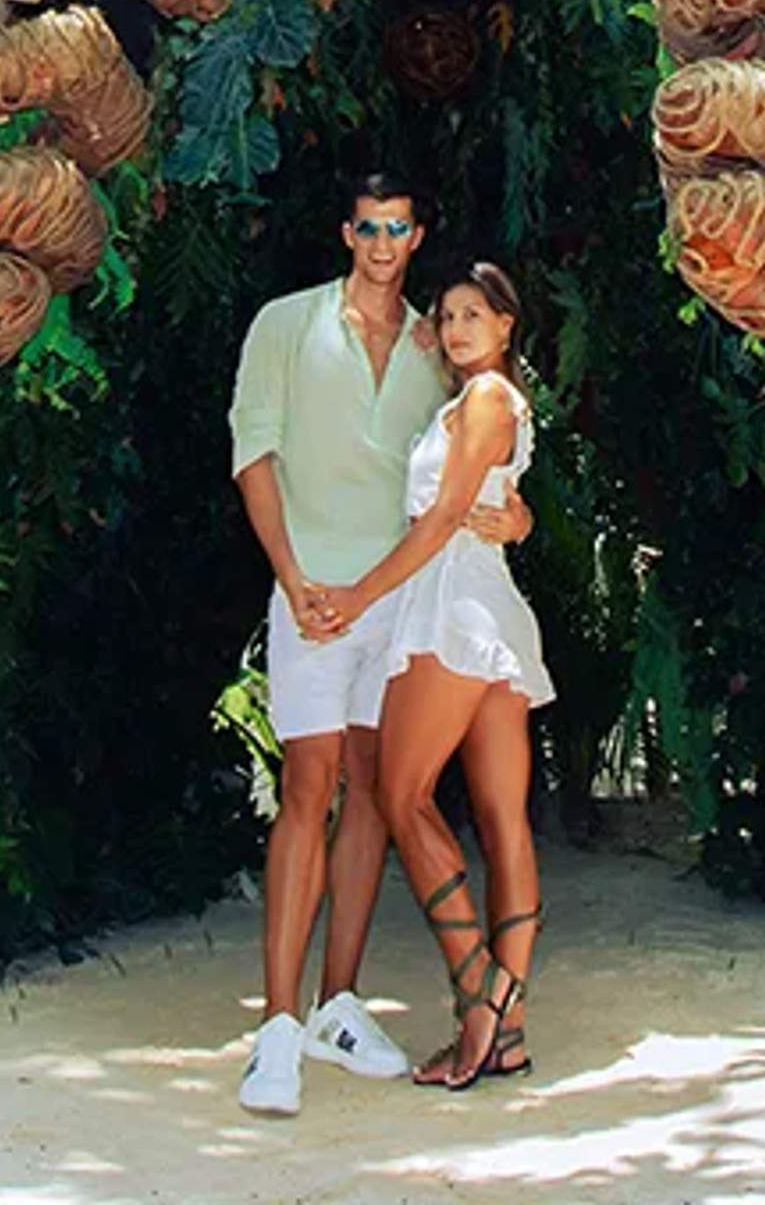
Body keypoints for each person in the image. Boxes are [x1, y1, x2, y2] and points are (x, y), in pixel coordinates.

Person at [225, 176, 526, 1115]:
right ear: (346, 231)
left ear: (415, 233)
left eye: (399, 228)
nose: (384, 241)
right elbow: (253, 453)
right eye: (369, 227)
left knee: (373, 796)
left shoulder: (441, 350)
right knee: (308, 788)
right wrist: (290, 578)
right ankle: (276, 1029)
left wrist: (513, 520)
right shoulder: (285, 323)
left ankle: (338, 1004)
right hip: (312, 589)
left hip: (402, 605)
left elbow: (471, 470)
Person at [314, 262, 553, 1091]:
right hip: (483, 600)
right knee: (499, 817)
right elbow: (486, 503)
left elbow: (447, 517)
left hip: (451, 608)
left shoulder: (488, 399)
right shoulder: (478, 401)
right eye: (446, 315)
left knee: (401, 795)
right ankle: (509, 1033)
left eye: (473, 315)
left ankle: (481, 995)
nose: (455, 328)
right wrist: (519, 519)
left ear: (507, 325)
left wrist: (358, 595)